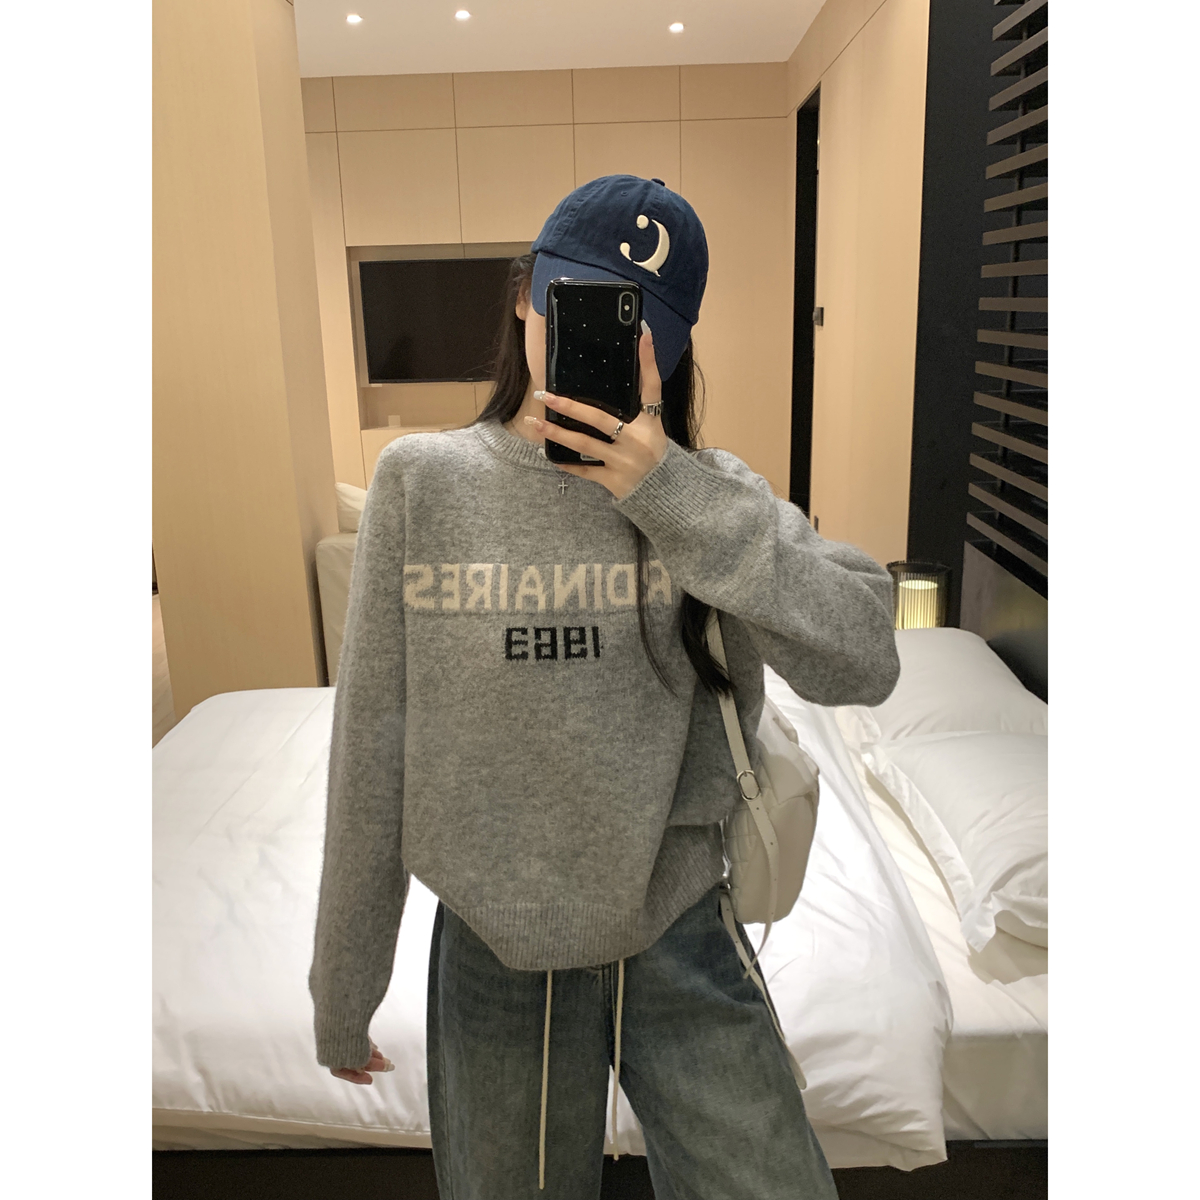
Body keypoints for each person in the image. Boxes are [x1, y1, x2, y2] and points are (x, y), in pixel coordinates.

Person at [308, 174, 900, 1200]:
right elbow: (371, 746)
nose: (595, 346)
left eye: (634, 328)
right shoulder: (423, 483)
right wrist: (345, 983)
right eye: (576, 304)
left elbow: (866, 655)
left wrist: (669, 492)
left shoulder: (711, 496)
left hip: (679, 929)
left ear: (668, 350)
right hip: (495, 951)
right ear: (525, 296)